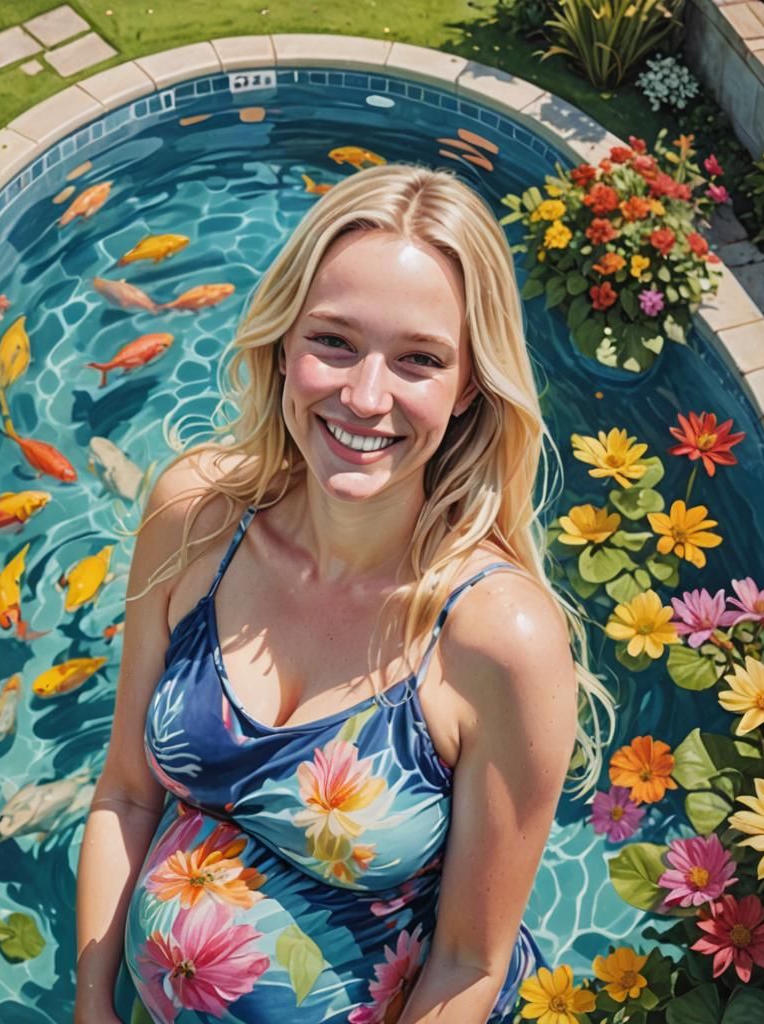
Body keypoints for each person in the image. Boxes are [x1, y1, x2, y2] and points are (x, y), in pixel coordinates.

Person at [75, 162, 614, 1024]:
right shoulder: (195, 517)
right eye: (333, 341)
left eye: (418, 360)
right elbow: (128, 794)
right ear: (283, 340)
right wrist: (93, 1007)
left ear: (469, 384)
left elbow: (470, 962)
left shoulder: (494, 635)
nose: (366, 397)